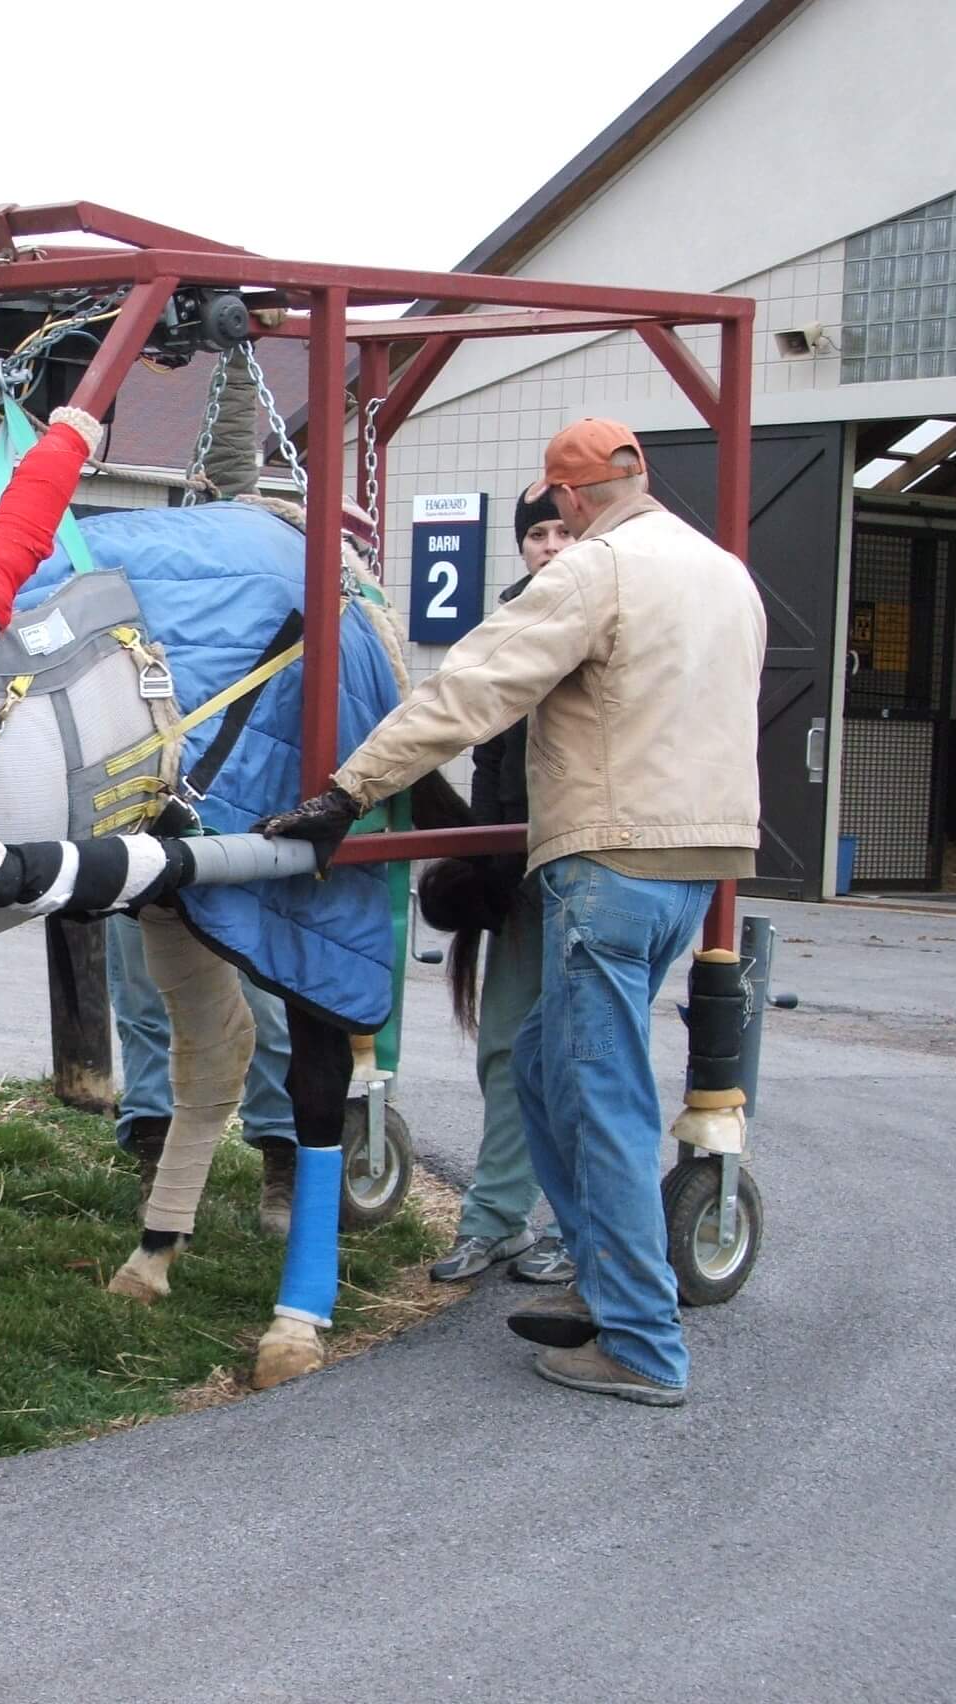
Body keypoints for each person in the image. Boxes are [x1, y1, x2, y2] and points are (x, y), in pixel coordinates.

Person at [262, 419, 765, 1407]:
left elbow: (472, 690)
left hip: (609, 861)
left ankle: (640, 1340)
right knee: (542, 1062)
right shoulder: (723, 573)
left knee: (598, 1095)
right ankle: (609, 1275)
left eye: (557, 508)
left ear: (570, 499)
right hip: (700, 860)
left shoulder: (592, 573)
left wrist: (345, 794)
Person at [424, 487, 578, 1287]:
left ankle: (589, 1236)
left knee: (586, 1056)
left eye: (563, 529)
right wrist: (485, 855)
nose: (549, 545)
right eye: (536, 534)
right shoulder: (504, 624)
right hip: (521, 864)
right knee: (508, 1047)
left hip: (599, 865)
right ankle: (497, 1220)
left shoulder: (613, 612)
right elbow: (486, 749)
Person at [106, 914, 302, 1235]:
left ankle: (282, 1164)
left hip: (243, 874)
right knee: (146, 1007)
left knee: (266, 1007)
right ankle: (159, 1165)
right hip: (145, 872)